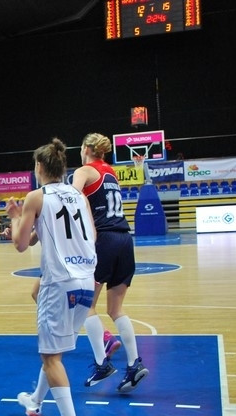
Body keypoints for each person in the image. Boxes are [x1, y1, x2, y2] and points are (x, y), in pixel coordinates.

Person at [8, 137, 96, 416]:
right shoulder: (79, 196)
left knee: (49, 356)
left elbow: (19, 245)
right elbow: (89, 235)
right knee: (54, 351)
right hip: (87, 279)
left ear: (41, 167)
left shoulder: (36, 196)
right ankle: (34, 400)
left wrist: (16, 218)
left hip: (60, 283)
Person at [71, 132, 149, 392]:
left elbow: (71, 200)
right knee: (116, 309)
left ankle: (102, 364)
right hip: (125, 239)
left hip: (103, 239)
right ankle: (134, 364)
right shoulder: (110, 173)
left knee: (85, 305)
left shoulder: (84, 171)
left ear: (86, 149)